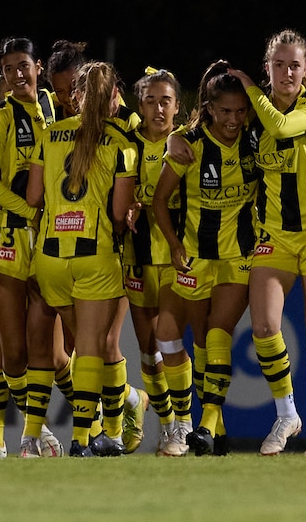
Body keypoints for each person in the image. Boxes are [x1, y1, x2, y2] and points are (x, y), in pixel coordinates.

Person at [228, 29, 306, 457]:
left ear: (305, 69)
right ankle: (286, 413)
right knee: (262, 328)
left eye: (294, 65)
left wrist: (250, 86)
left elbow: (281, 125)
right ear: (268, 66)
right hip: (274, 234)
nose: (286, 72)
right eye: (278, 64)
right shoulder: (250, 115)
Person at [26, 60, 137, 457]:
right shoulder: (123, 142)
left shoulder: (49, 135)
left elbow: (34, 199)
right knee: (92, 346)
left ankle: (108, 428)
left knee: (83, 348)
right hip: (95, 253)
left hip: (51, 257)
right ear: (113, 100)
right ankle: (82, 439)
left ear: (75, 97)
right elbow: (118, 214)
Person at [149, 60, 258, 456]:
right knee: (201, 344)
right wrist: (175, 245)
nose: (234, 119)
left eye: (240, 111)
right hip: (195, 257)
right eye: (226, 111)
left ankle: (207, 423)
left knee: (218, 332)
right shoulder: (189, 145)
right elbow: (160, 201)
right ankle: (220, 431)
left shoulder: (254, 140)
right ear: (210, 108)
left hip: (239, 256)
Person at [0, 37, 62, 458]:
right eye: (9, 69)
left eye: (24, 65)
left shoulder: (55, 105)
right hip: (8, 241)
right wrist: (29, 214)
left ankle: (106, 422)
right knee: (12, 354)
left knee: (56, 353)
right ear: (3, 75)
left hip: (53, 241)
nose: (18, 74)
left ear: (38, 66)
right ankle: (39, 431)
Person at [122, 66, 184, 454]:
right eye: (150, 101)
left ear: (178, 106)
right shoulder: (127, 145)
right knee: (148, 349)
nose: (158, 109)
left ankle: (187, 423)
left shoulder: (187, 143)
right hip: (137, 254)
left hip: (178, 254)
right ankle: (166, 424)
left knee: (171, 340)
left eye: (166, 101)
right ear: (140, 106)